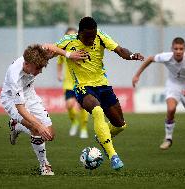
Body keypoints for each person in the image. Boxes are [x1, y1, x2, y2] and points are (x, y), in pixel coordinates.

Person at [55, 17, 144, 170]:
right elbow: (49, 50)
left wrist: (131, 56)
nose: (91, 39)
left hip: (103, 86)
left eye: (93, 36)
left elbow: (120, 50)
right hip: (83, 87)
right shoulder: (69, 41)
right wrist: (67, 54)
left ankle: (102, 137)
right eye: (87, 37)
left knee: (120, 125)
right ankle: (113, 156)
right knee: (97, 111)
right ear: (80, 33)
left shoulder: (100, 36)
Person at [0, 44, 86, 175]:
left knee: (49, 135)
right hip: (12, 100)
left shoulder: (37, 54)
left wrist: (69, 55)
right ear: (27, 64)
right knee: (36, 128)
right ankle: (44, 165)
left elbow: (53, 48)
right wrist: (38, 125)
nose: (40, 71)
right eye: (38, 68)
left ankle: (16, 125)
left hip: (30, 95)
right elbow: (21, 108)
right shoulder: (14, 75)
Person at [132, 37, 185, 154]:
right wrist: (137, 75)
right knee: (171, 109)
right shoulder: (166, 56)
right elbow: (150, 59)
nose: (178, 51)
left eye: (181, 49)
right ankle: (168, 139)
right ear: (172, 49)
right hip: (173, 85)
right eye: (176, 49)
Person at [57, 27, 89, 138]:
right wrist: (59, 74)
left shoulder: (82, 48)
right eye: (68, 35)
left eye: (73, 35)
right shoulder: (63, 50)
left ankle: (84, 128)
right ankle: (75, 122)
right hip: (68, 83)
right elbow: (59, 63)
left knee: (82, 106)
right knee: (69, 105)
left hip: (82, 82)